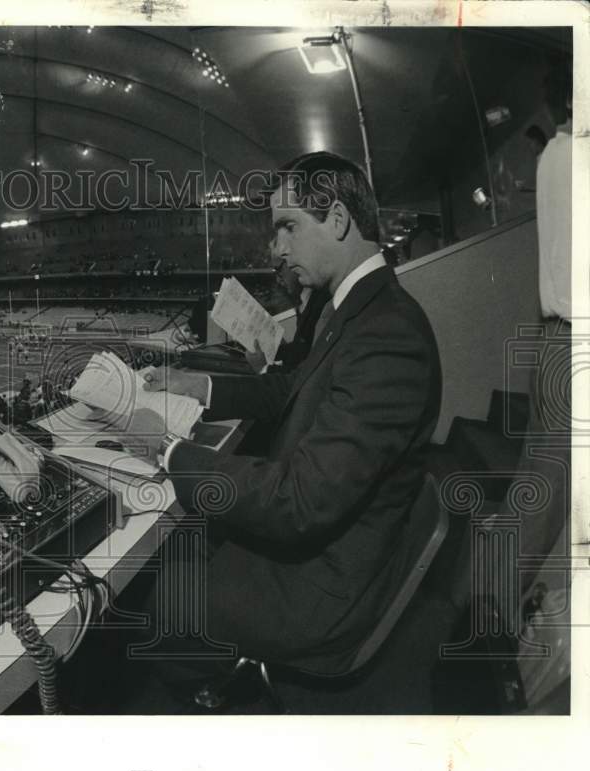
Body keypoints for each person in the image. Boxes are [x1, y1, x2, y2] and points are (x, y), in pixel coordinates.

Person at [131, 152, 442, 675]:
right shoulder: (361, 309)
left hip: (321, 594)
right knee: (184, 536)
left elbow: (299, 502)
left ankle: (196, 696)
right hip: (325, 550)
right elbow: (291, 391)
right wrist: (197, 385)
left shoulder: (388, 334)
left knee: (159, 589)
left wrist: (169, 450)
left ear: (337, 220)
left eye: (288, 227)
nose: (276, 248)